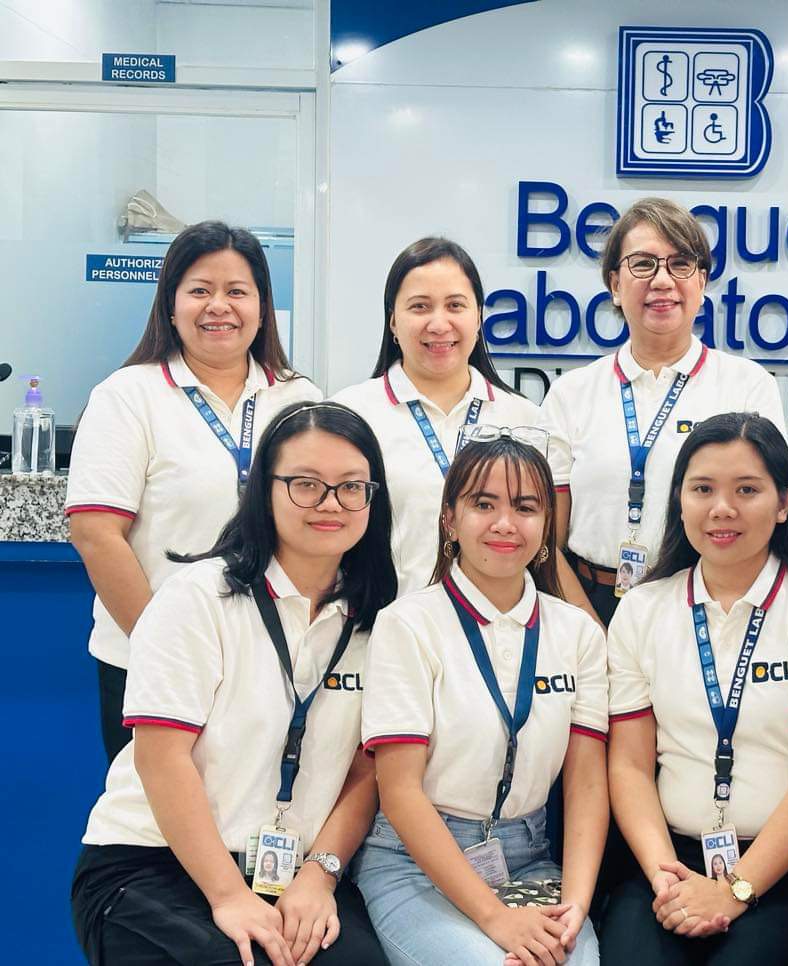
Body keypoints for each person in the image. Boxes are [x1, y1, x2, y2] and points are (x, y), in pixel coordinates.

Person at [71, 401, 398, 966]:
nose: (330, 503)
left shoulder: (379, 620)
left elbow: (367, 772)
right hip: (154, 863)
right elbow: (161, 759)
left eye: (351, 487)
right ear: (264, 491)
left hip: (293, 871)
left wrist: (319, 877)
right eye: (305, 484)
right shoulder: (197, 598)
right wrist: (228, 895)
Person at [598, 413, 788, 966]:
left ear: (785, 502)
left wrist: (735, 889)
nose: (722, 509)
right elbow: (628, 766)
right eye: (702, 489)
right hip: (668, 859)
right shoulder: (643, 608)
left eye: (747, 490)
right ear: (679, 500)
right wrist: (665, 876)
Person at [66, 221, 321, 761]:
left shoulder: (299, 398)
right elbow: (96, 534)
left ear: (262, 306)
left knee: (262, 808)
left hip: (273, 663)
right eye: (200, 290)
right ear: (171, 304)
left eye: (237, 291)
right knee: (158, 811)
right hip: (151, 660)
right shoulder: (128, 395)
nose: (218, 306)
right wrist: (166, 649)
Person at [353, 434, 609, 966]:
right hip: (415, 862)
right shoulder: (407, 624)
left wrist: (576, 905)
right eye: (483, 504)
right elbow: (400, 792)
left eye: (525, 507)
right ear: (450, 520)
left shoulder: (578, 633)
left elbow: (586, 784)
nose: (504, 523)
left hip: (530, 860)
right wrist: (496, 919)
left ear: (547, 525)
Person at [540, 197, 786, 628]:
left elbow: (764, 523)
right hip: (587, 604)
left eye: (680, 264)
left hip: (708, 604)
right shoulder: (571, 394)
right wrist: (586, 629)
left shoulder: (747, 386)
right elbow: (546, 541)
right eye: (643, 264)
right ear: (615, 284)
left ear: (702, 282)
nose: (662, 280)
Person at [331, 237, 542, 596]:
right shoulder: (349, 416)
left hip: (496, 623)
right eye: (420, 306)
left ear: (479, 317)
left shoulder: (524, 418)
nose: (439, 323)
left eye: (455, 305)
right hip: (382, 620)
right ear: (393, 321)